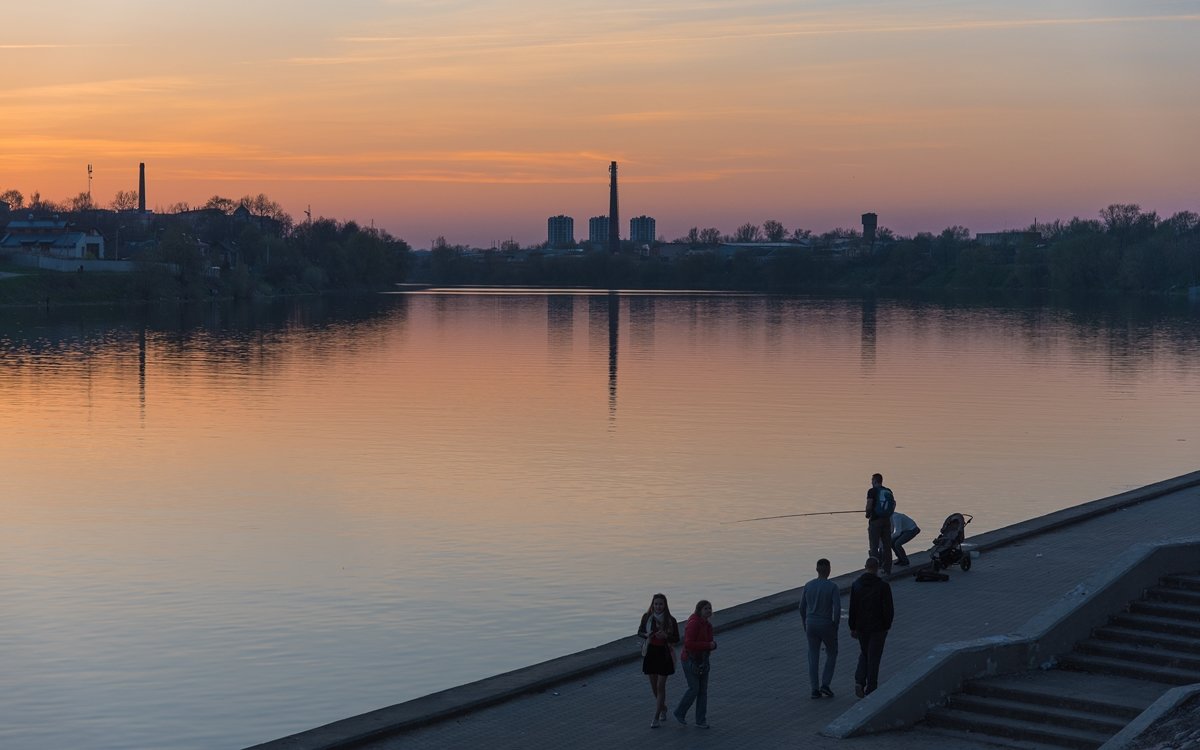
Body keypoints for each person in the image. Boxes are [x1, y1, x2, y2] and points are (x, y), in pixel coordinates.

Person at [849, 557, 894, 698]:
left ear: (865, 567)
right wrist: (887, 625)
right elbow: (889, 609)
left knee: (865, 652)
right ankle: (871, 688)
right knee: (874, 657)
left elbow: (852, 608)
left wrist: (853, 627)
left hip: (862, 628)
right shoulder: (883, 586)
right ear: (877, 568)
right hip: (878, 628)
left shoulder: (856, 585)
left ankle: (859, 681)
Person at [799, 558, 840, 699]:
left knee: (813, 655)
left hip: (811, 624)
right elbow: (837, 609)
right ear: (829, 569)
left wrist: (805, 623)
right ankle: (826, 684)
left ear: (817, 570)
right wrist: (836, 625)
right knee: (832, 653)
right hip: (826, 624)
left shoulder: (808, 585)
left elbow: (801, 607)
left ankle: (814, 689)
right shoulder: (833, 587)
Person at [637, 593, 680, 728]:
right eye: (656, 604)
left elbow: (676, 638)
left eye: (661, 604)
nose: (658, 606)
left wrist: (666, 636)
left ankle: (656, 716)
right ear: (652, 604)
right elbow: (639, 631)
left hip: (664, 654)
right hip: (651, 653)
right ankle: (663, 708)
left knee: (661, 686)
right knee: (654, 687)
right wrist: (646, 634)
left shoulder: (670, 620)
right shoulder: (647, 617)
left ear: (665, 605)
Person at [673, 600, 716, 729]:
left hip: (703, 660)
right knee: (694, 688)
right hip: (689, 660)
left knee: (703, 690)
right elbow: (688, 643)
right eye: (705, 608)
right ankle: (679, 712)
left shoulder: (707, 625)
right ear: (699, 610)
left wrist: (712, 646)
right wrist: (708, 645)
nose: (708, 611)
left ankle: (700, 720)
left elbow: (710, 641)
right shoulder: (694, 623)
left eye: (710, 608)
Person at [865, 473, 896, 575]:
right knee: (887, 546)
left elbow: (869, 505)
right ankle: (887, 569)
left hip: (875, 521)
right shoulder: (888, 491)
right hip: (886, 520)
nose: (871, 482)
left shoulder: (872, 491)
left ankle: (874, 570)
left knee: (874, 546)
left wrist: (867, 514)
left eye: (872, 480)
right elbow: (893, 504)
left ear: (874, 481)